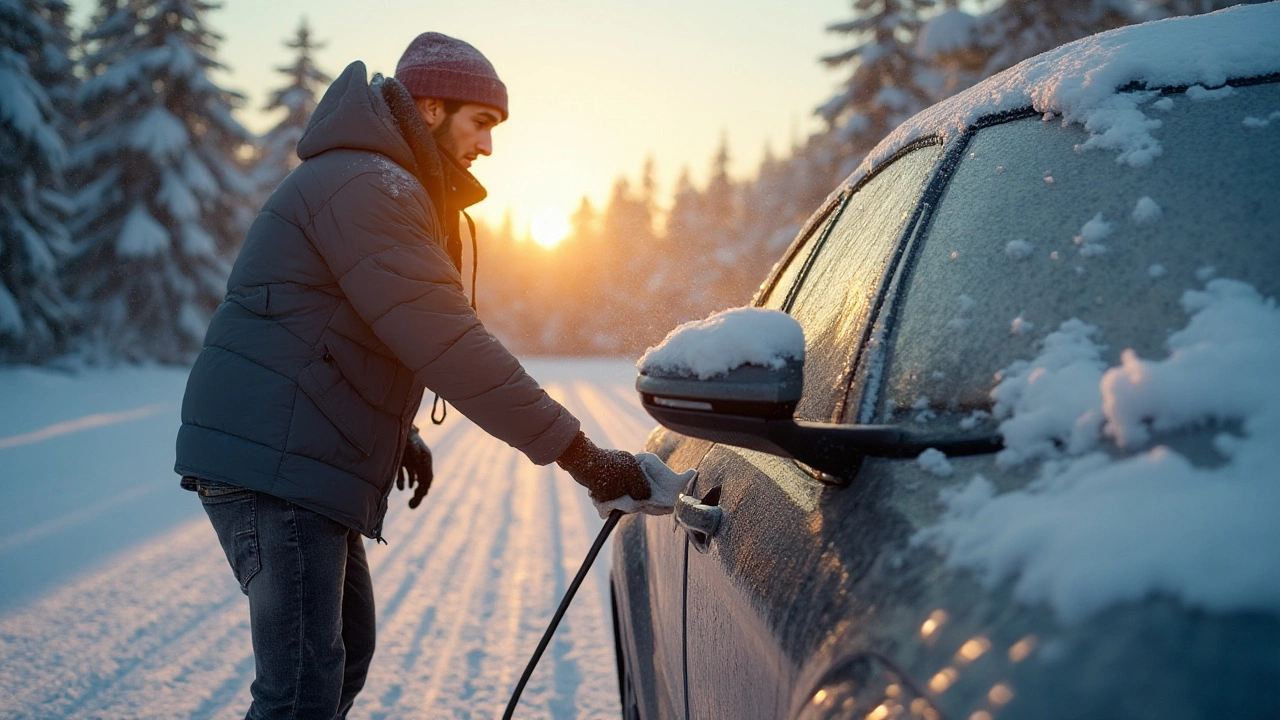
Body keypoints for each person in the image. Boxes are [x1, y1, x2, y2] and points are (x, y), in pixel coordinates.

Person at [174, 32, 660, 718]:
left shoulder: (381, 181)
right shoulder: (368, 184)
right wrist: (581, 456)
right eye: (481, 123)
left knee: (338, 664)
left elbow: (342, 325)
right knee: (300, 692)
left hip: (296, 453)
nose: (489, 146)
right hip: (273, 461)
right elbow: (445, 340)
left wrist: (398, 432)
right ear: (430, 108)